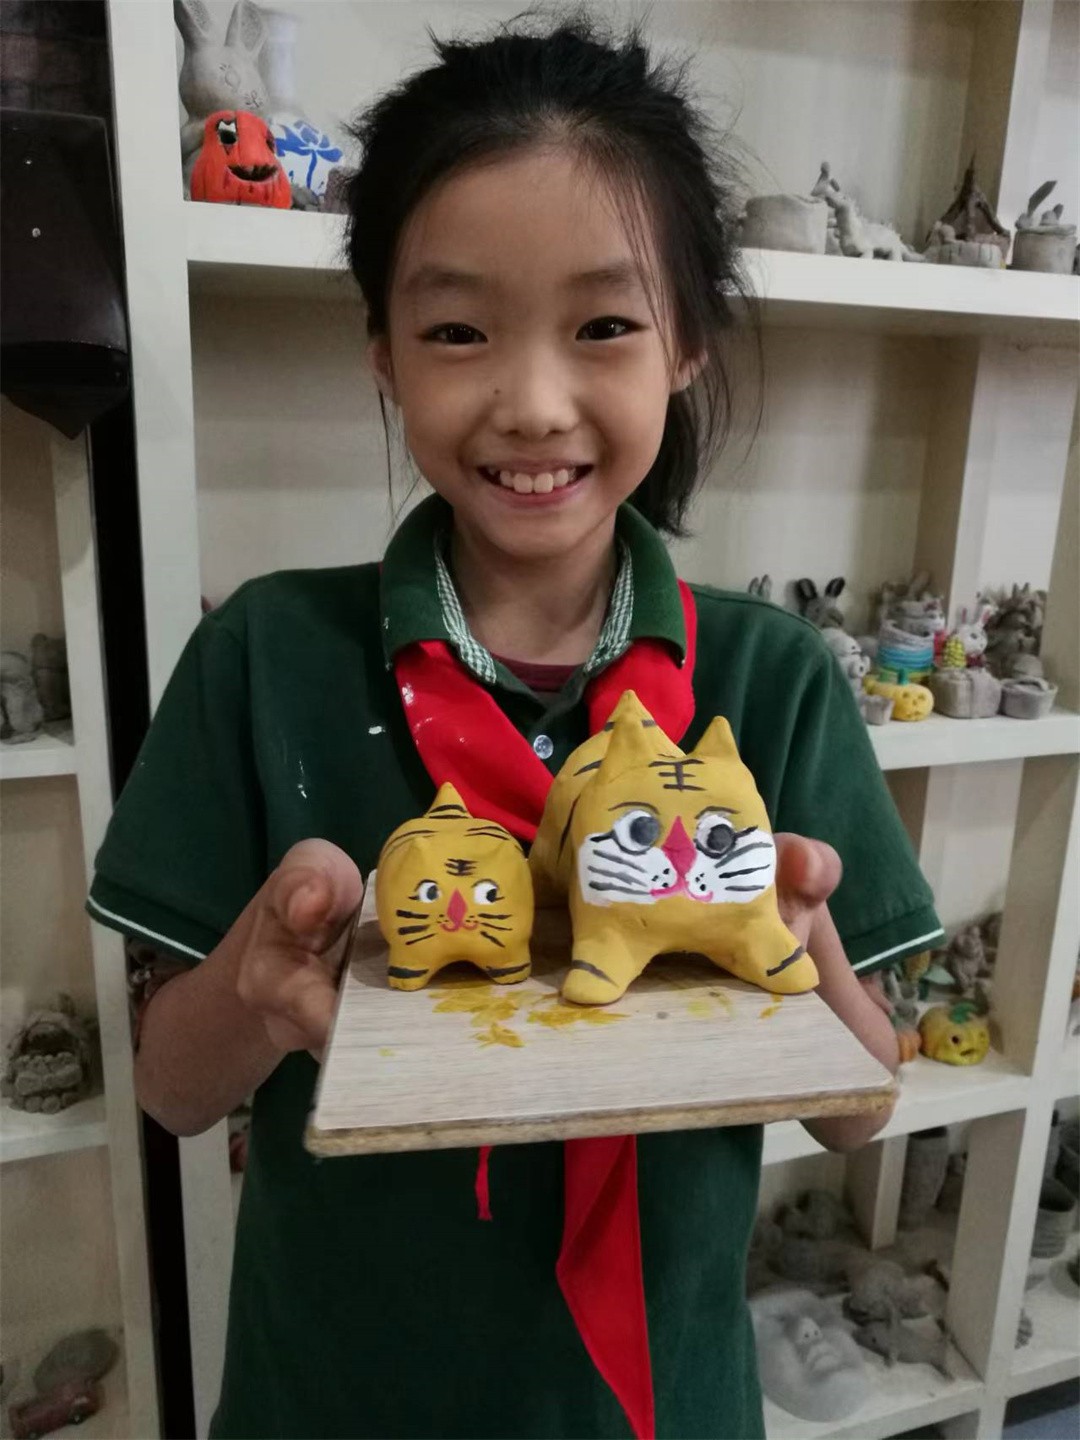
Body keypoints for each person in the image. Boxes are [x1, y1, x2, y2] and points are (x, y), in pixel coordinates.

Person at [88, 15, 942, 1439]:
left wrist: (808, 963)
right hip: (337, 1399)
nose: (533, 404)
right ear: (382, 352)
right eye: (457, 331)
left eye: (604, 325)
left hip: (655, 1404)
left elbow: (857, 1114)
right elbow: (172, 1095)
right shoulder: (266, 656)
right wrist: (258, 983)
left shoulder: (772, 677)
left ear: (688, 343)